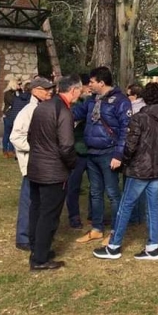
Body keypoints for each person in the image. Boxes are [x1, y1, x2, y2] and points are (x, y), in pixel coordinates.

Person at [93, 82, 158, 261]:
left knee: (125, 206)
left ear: (145, 97)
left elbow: (130, 146)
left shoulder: (139, 118)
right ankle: (153, 247)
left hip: (138, 170)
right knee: (153, 207)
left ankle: (114, 246)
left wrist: (126, 160)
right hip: (156, 169)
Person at [26, 75, 82, 270]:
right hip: (53, 171)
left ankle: (37, 248)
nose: (80, 95)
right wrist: (73, 164)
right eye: (79, 91)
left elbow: (30, 135)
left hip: (36, 167)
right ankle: (40, 259)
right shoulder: (64, 111)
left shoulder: (42, 106)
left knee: (37, 209)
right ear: (73, 90)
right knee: (49, 215)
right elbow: (66, 146)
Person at [72, 67, 132, 246]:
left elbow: (126, 130)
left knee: (113, 194)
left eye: (91, 82)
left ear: (101, 82)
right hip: (92, 153)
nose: (89, 85)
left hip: (109, 154)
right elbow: (76, 113)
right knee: (95, 192)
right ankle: (97, 229)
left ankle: (115, 231)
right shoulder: (91, 100)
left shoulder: (121, 101)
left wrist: (118, 155)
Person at [9, 76, 56, 251]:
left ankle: (33, 235)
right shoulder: (28, 111)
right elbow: (15, 137)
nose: (49, 92)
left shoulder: (41, 108)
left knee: (37, 201)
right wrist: (37, 147)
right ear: (35, 91)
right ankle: (23, 237)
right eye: (45, 89)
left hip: (40, 163)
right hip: (31, 163)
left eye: (50, 89)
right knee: (29, 200)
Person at [66, 74, 92, 229]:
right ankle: (74, 216)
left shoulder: (97, 102)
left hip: (93, 149)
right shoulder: (75, 104)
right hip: (77, 149)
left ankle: (94, 215)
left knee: (95, 186)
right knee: (73, 186)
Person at [125, 82, 147, 225]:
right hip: (145, 152)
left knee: (131, 185)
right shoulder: (146, 108)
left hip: (134, 150)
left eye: (128, 95)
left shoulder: (134, 110)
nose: (126, 97)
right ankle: (140, 215)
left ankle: (133, 216)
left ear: (135, 95)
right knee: (143, 186)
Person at [2, 78, 23, 158]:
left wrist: (20, 92)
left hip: (16, 115)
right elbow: (13, 102)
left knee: (13, 134)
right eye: (18, 84)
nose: (19, 86)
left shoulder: (18, 93)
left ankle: (11, 150)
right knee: (7, 133)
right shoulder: (8, 93)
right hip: (8, 115)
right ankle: (5, 150)